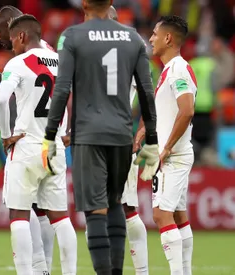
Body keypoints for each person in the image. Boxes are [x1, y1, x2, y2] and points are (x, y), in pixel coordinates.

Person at [42, 0, 160, 274]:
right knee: (115, 201)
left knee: (95, 209)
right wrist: (152, 139)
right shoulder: (134, 38)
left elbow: (61, 89)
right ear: (110, 3)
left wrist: (50, 135)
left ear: (84, 4)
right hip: (120, 133)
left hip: (88, 133)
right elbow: (146, 91)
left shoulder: (72, 36)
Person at [0, 14, 77, 275]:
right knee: (60, 217)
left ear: (21, 36)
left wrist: (6, 134)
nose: (11, 46)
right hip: (54, 146)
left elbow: (0, 100)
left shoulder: (18, 63)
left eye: (12, 40)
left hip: (27, 144)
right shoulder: (61, 61)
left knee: (18, 215)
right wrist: (68, 129)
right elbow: (71, 97)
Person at [145, 15, 195, 275]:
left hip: (172, 157)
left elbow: (187, 111)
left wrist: (165, 148)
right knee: (177, 216)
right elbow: (168, 111)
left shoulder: (177, 68)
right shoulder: (169, 70)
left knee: (161, 215)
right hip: (175, 154)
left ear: (168, 38)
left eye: (155, 33)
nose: (151, 39)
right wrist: (145, 131)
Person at [109, 6, 149, 274]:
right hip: (109, 135)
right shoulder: (134, 48)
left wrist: (143, 131)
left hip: (116, 136)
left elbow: (148, 96)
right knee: (115, 207)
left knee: (126, 207)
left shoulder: (131, 47)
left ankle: (140, 271)